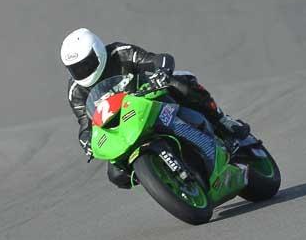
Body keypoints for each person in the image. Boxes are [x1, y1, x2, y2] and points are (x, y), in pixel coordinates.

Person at [61, 28, 250, 189]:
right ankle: (159, 175)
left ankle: (222, 121)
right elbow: (85, 123)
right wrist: (86, 142)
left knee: (181, 83)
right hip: (122, 128)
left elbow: (158, 59)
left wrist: (161, 72)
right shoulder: (76, 90)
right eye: (75, 68)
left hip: (151, 100)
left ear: (98, 51)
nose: (82, 71)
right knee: (117, 175)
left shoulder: (119, 53)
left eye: (86, 64)